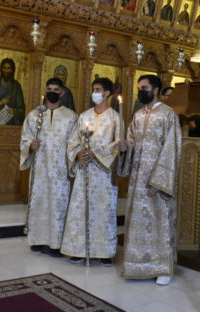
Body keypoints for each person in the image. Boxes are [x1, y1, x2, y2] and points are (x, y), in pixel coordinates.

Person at [116, 74, 181, 286]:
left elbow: (172, 149)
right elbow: (132, 141)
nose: (140, 91)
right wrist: (125, 148)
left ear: (155, 90)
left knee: (159, 220)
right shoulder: (138, 115)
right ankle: (138, 266)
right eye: (139, 88)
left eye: (144, 88)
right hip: (138, 178)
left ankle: (162, 267)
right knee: (139, 221)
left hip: (156, 178)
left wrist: (158, 181)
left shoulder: (168, 114)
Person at [61, 77, 122, 266]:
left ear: (107, 93)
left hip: (104, 172)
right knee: (81, 208)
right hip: (84, 169)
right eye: (93, 89)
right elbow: (73, 141)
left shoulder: (115, 117)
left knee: (103, 209)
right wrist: (78, 154)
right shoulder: (84, 116)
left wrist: (97, 153)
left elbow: (119, 144)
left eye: (97, 89)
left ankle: (104, 252)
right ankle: (78, 249)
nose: (94, 93)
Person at [20, 77, 77, 257]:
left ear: (62, 92)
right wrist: (30, 145)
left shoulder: (71, 116)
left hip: (60, 169)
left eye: (56, 90)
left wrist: (72, 165)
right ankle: (37, 239)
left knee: (58, 204)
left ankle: (56, 243)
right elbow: (25, 137)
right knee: (39, 200)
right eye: (49, 89)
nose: (52, 92)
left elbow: (74, 143)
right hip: (40, 168)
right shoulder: (35, 115)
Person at [0, 58, 25, 125]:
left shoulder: (16, 86)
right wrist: (1, 103)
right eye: (4, 68)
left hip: (10, 124)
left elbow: (21, 111)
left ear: (12, 70)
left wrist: (13, 111)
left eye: (8, 68)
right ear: (1, 69)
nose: (6, 71)